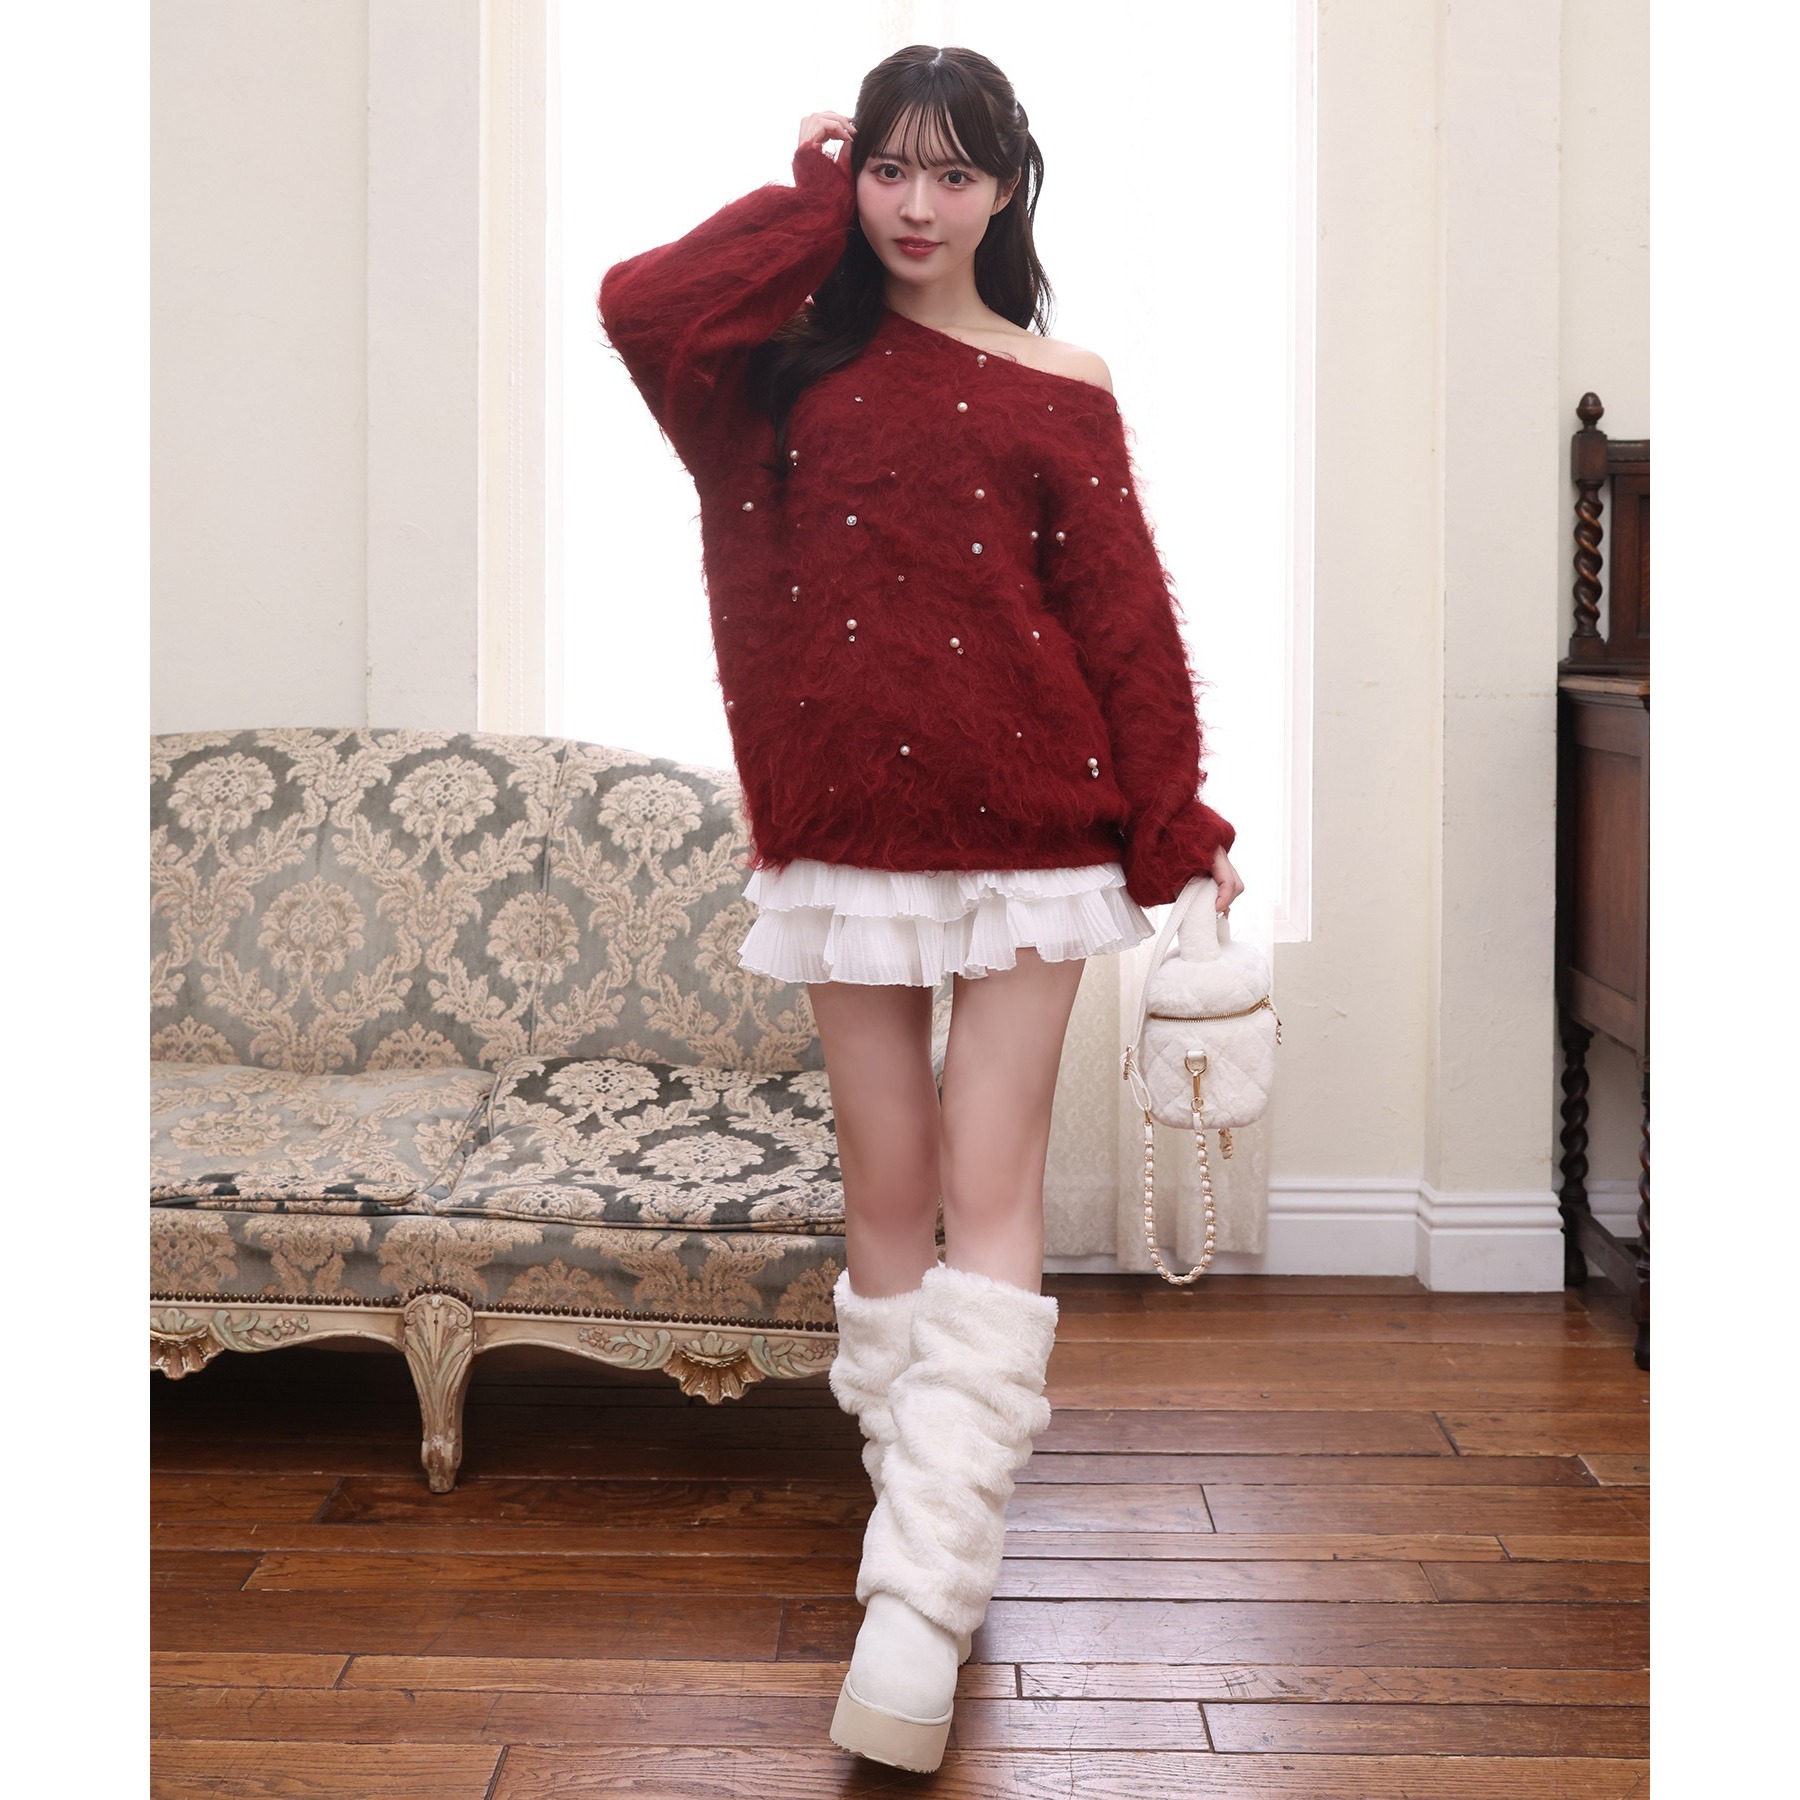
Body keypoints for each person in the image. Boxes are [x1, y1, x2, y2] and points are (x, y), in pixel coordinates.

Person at [598, 43, 1243, 1775]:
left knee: (989, 1184)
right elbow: (638, 302)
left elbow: (1120, 622)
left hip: (1036, 833)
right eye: (888, 166)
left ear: (1006, 188)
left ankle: (920, 1608)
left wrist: (1175, 821)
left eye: (952, 172)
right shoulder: (768, 375)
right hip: (843, 836)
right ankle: (929, 1551)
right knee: (885, 1190)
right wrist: (803, 193)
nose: (915, 203)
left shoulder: (1060, 382)